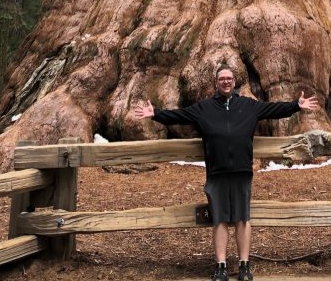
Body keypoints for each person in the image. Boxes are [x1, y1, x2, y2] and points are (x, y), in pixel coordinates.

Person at [133, 63, 320, 281]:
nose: (226, 81)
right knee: (219, 220)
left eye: (229, 78)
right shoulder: (204, 108)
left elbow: (273, 109)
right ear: (216, 82)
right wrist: (155, 113)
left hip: (242, 171)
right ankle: (220, 266)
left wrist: (296, 106)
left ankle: (244, 266)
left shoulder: (249, 106)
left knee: (242, 219)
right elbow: (179, 115)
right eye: (222, 78)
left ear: (234, 82)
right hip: (217, 173)